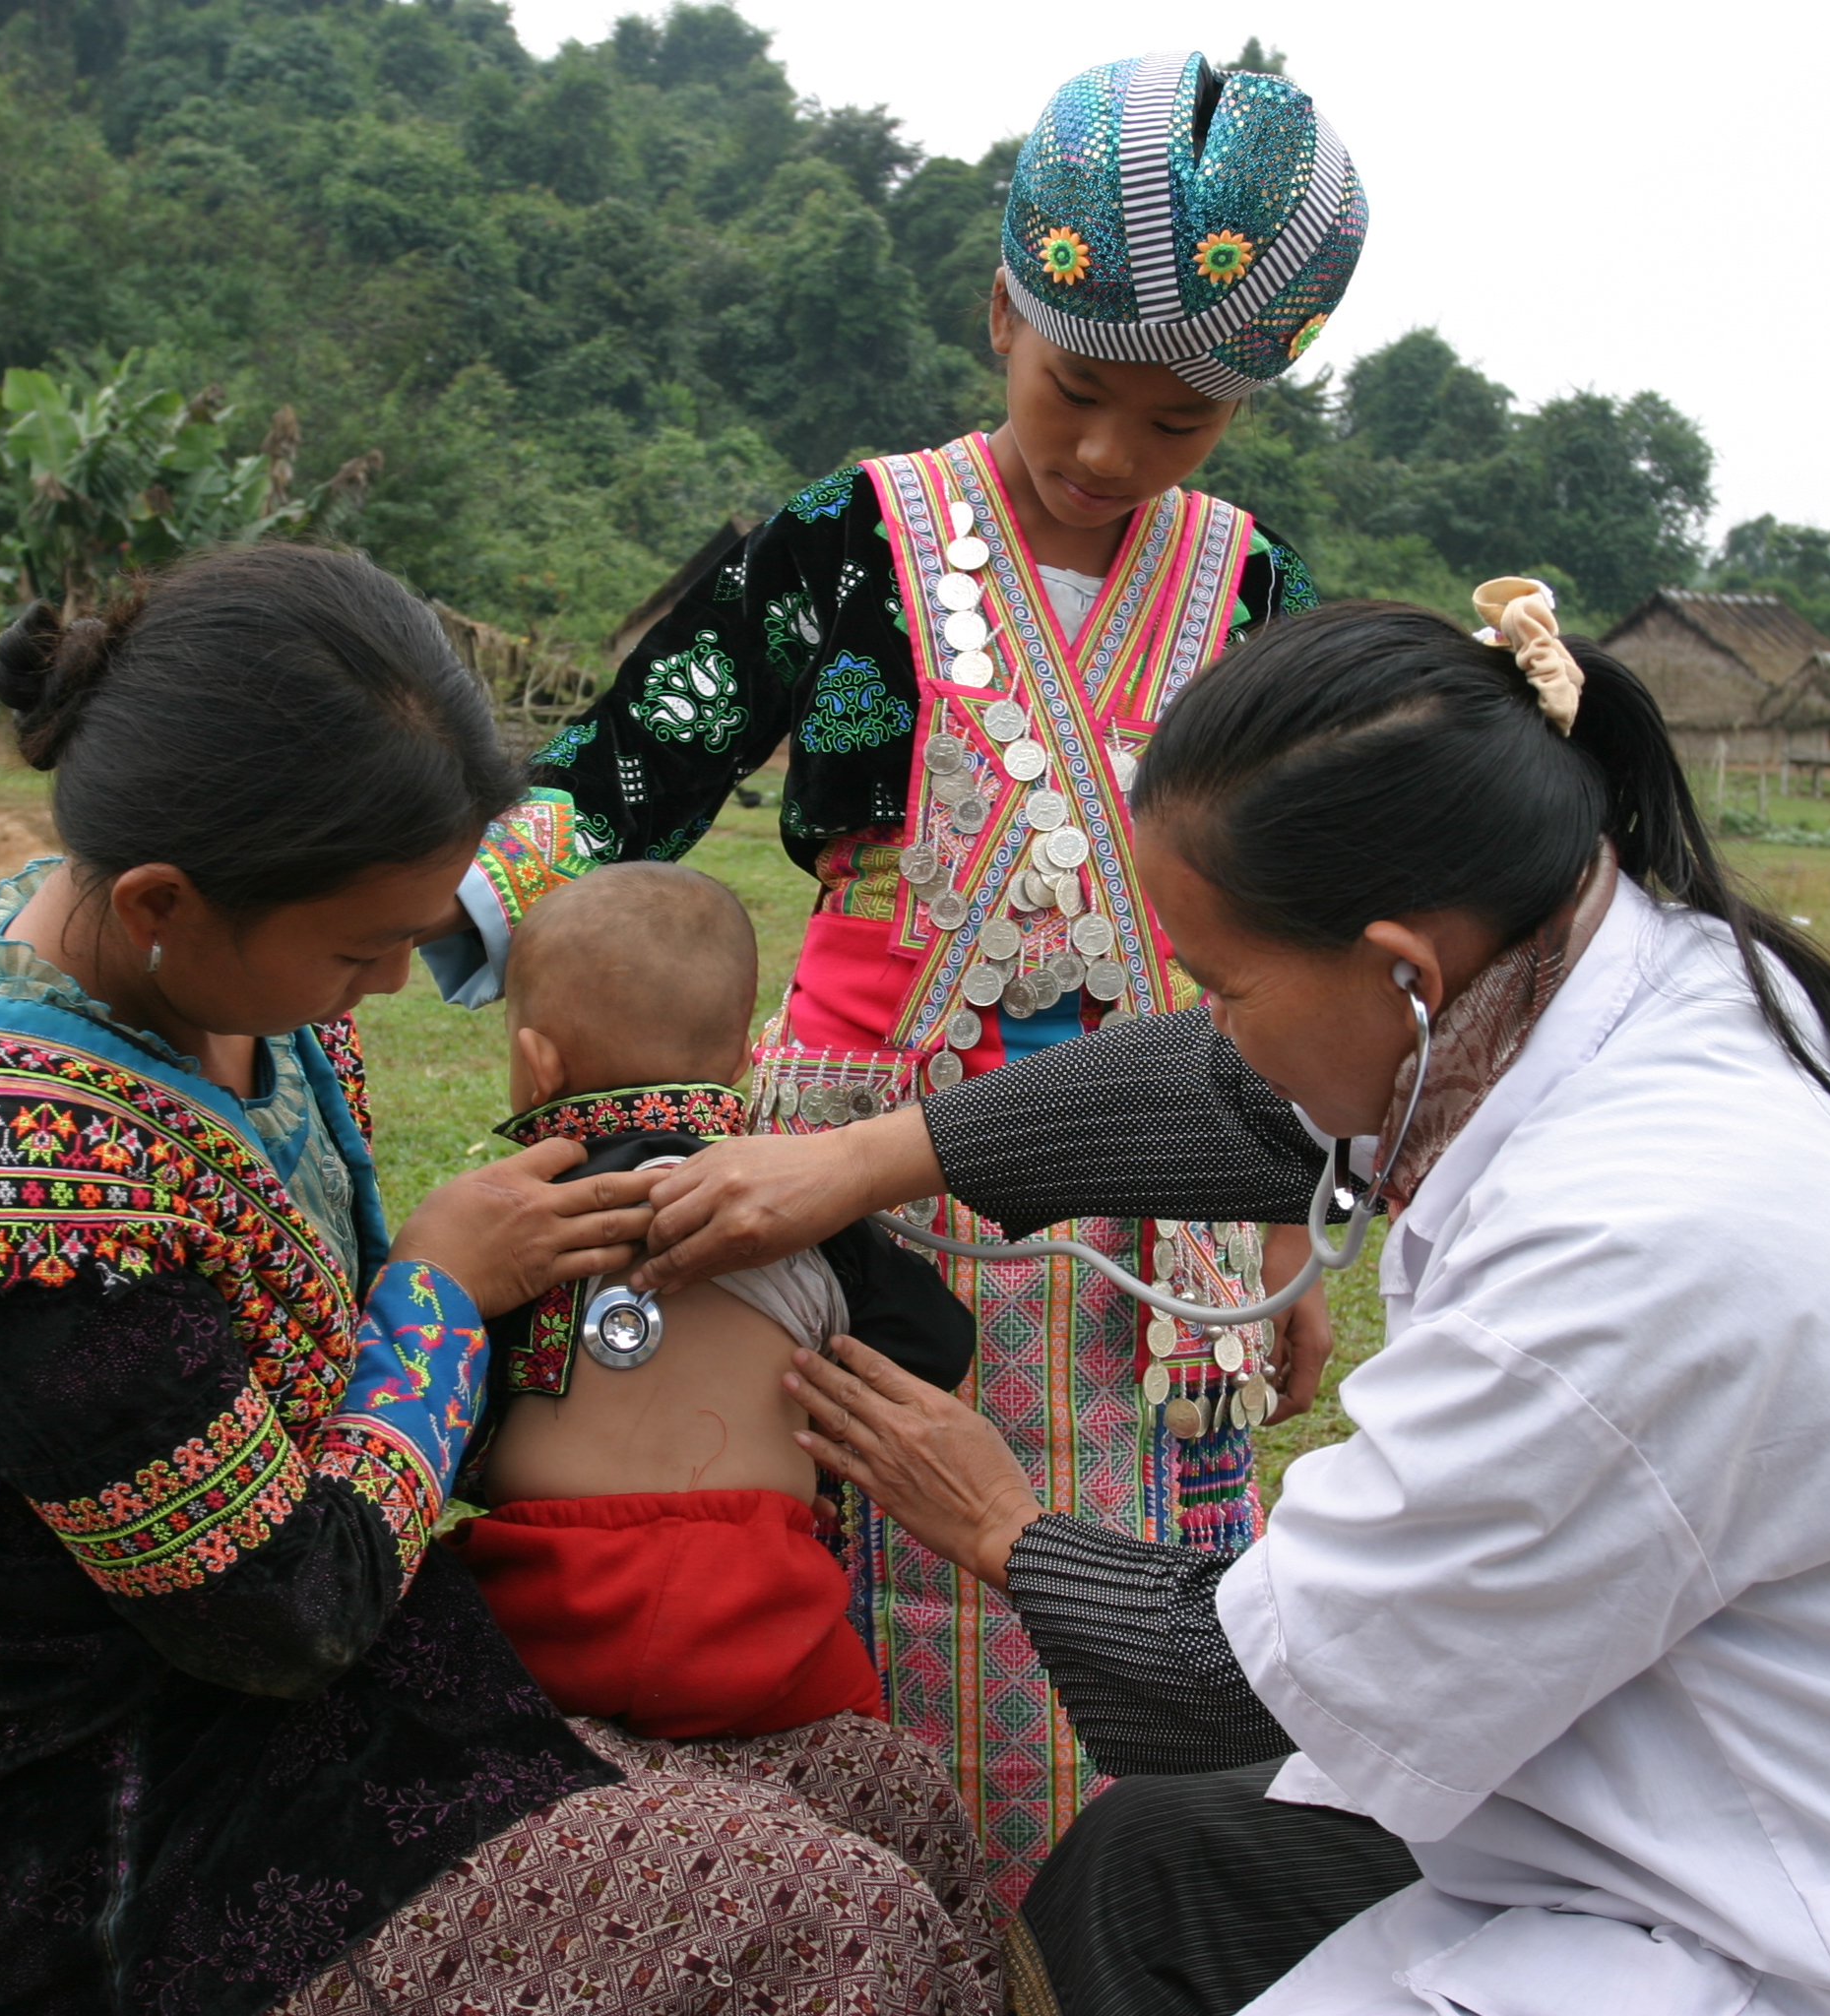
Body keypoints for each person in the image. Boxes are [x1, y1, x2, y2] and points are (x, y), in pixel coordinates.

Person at [630, 590, 1830, 2014]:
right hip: (1735, 1815)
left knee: (1179, 1842)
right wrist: (866, 1158)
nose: (1221, 1026)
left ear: (1403, 966)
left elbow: (1220, 1685)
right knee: (1152, 1864)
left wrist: (992, 1519)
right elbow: (1243, 1090)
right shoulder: (1622, 965)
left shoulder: (1637, 1254)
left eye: (1232, 983)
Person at [0, 544, 1001, 2016]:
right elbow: (284, 1613)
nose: (382, 987)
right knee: (830, 1920)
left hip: (352, 1704)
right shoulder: (21, 1185)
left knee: (895, 1804)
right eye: (364, 947)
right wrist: (434, 1299)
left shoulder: (242, 1012)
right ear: (165, 902)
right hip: (135, 1831)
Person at [423, 48, 1369, 1894]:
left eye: (1174, 426)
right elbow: (640, 760)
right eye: (1073, 388)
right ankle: (872, 1937)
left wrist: (1276, 1227)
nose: (1106, 452)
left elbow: (1305, 929)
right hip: (853, 1192)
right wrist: (438, 900)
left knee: (1128, 1594)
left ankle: (1105, 1940)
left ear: (1244, 414)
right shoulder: (849, 540)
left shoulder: (1253, 593)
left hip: (1148, 1231)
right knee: (865, 1599)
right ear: (1000, 307)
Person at [448, 860, 977, 1740]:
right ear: (743, 1058)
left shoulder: (516, 1222)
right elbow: (933, 1342)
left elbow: (445, 1381)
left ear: (536, 1065)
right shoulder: (803, 1212)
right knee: (858, 1760)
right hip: (763, 1596)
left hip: (546, 1598)